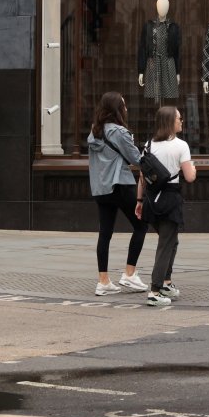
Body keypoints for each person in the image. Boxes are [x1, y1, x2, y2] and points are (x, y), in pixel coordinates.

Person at [86, 91, 149, 296]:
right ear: (116, 109)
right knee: (141, 224)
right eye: (124, 104)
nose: (127, 108)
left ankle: (103, 281)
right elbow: (136, 159)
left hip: (101, 189)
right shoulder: (119, 132)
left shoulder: (95, 132)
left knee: (105, 234)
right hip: (120, 185)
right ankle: (129, 274)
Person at [137, 105, 197, 308]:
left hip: (151, 201)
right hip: (170, 199)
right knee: (165, 245)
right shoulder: (181, 146)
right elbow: (189, 177)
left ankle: (166, 283)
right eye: (179, 118)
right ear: (170, 122)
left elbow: (142, 179)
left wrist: (139, 202)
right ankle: (154, 291)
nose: (181, 121)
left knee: (171, 242)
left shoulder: (148, 145)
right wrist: (194, 169)